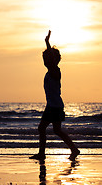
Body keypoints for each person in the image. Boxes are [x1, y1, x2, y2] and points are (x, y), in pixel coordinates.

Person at [30, 30, 80, 161]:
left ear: (54, 60)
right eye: (44, 59)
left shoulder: (55, 71)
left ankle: (42, 153)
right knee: (56, 130)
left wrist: (47, 43)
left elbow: (52, 61)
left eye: (47, 58)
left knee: (42, 128)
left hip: (54, 107)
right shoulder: (50, 72)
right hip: (54, 106)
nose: (45, 61)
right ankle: (74, 149)